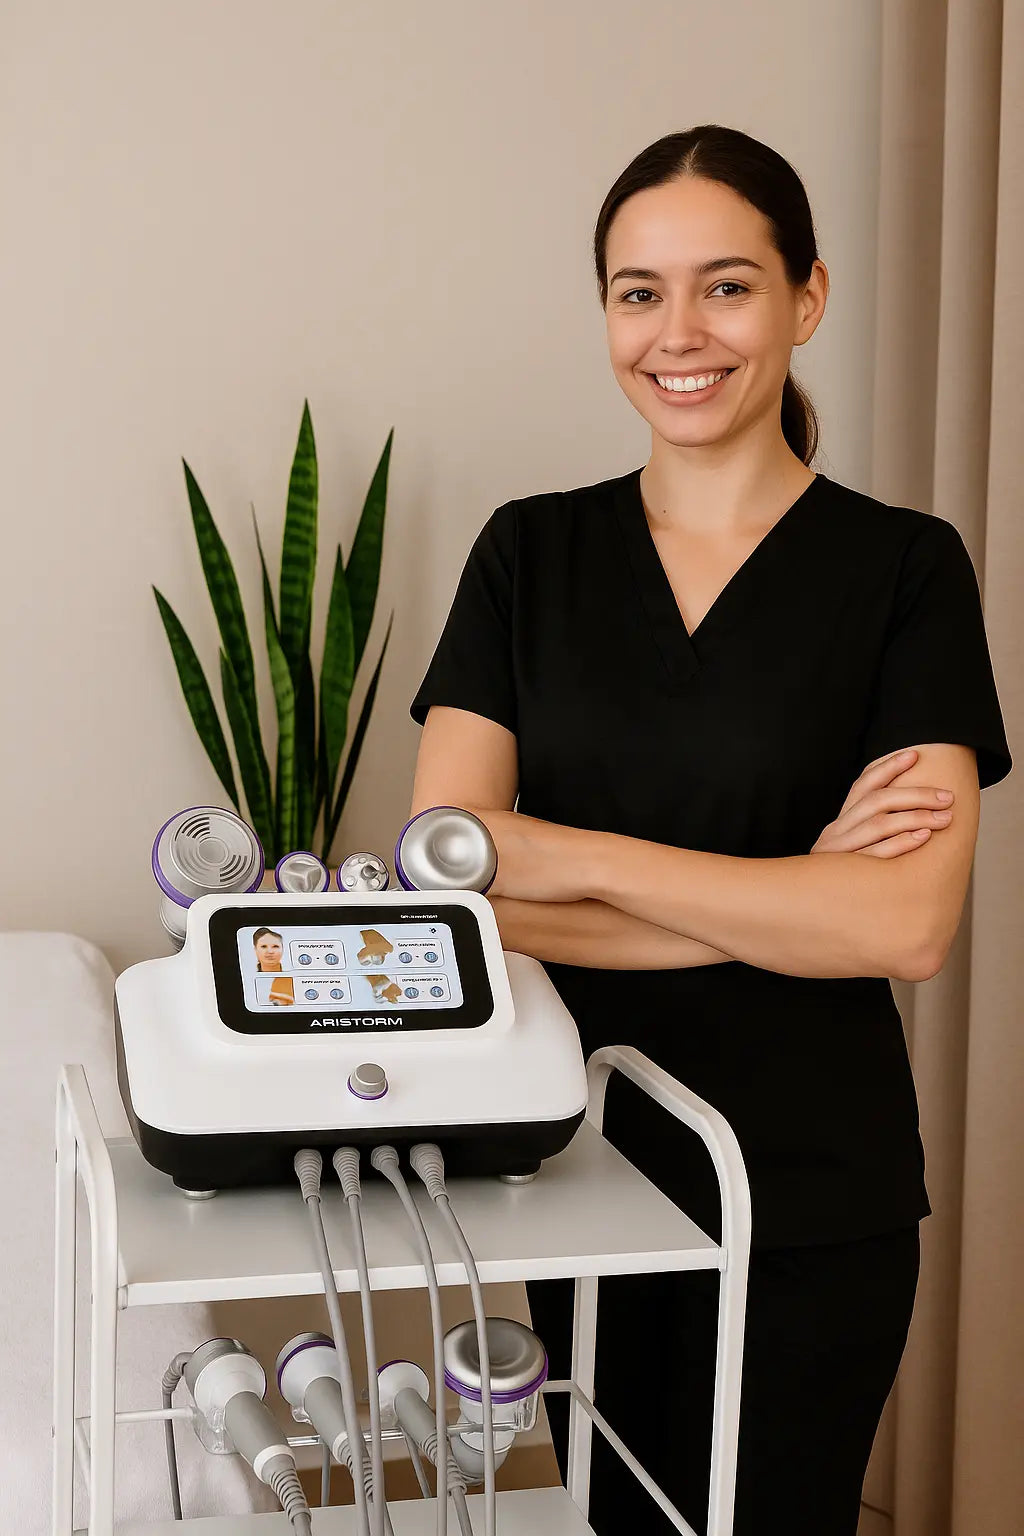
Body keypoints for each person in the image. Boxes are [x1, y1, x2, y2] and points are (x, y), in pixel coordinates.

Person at [406, 125, 1012, 1536]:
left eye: (727, 287)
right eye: (640, 293)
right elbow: (442, 897)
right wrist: (792, 898)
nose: (678, 333)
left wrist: (565, 852)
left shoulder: (906, 571)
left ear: (808, 298)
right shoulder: (528, 554)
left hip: (816, 1191)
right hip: (576, 1167)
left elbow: (904, 926)